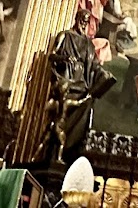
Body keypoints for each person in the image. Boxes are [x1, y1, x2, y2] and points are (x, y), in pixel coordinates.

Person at [47, 10, 115, 161]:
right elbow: (51, 56)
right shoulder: (65, 35)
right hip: (66, 79)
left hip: (81, 83)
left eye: (86, 21)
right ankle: (54, 153)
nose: (83, 23)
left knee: (87, 104)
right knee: (61, 113)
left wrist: (104, 76)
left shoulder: (87, 44)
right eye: (82, 20)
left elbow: (94, 65)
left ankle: (71, 151)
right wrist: (64, 58)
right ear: (76, 19)